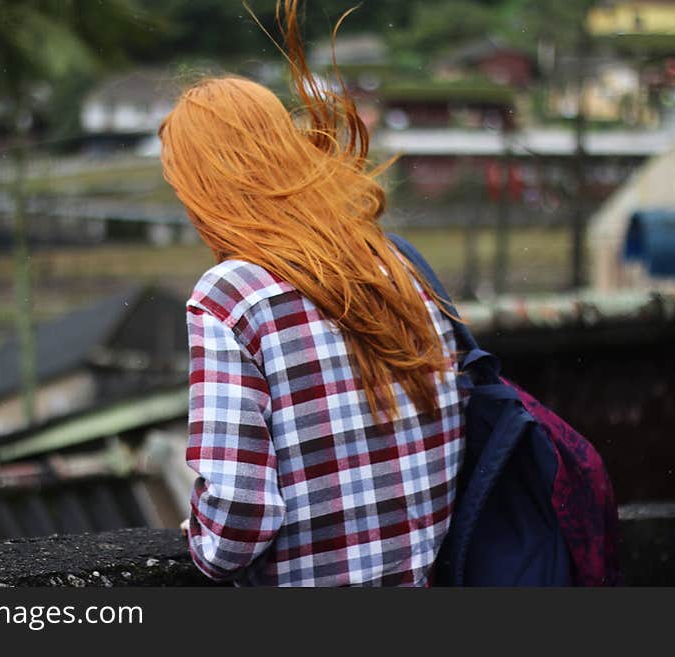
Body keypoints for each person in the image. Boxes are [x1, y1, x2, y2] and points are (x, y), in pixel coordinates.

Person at [160, 0, 466, 586]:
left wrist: (201, 534)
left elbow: (238, 523)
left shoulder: (232, 295)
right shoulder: (393, 263)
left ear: (204, 189)